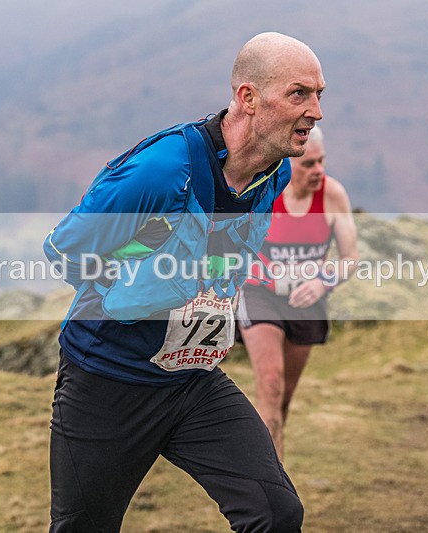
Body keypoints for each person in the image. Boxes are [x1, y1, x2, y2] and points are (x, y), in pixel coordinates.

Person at [43, 32, 325, 532]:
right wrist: (143, 276)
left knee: (276, 514)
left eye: (319, 95)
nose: (316, 111)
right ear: (248, 98)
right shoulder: (162, 169)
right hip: (107, 383)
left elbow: (225, 258)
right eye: (299, 94)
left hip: (192, 380)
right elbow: (65, 250)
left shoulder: (275, 173)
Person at [237, 127, 358, 460]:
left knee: (284, 399)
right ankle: (269, 486)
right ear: (288, 163)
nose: (318, 171)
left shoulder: (332, 196)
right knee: (271, 384)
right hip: (260, 292)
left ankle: (273, 465)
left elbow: (350, 259)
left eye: (321, 162)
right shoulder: (263, 192)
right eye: (308, 165)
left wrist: (322, 282)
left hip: (307, 300)